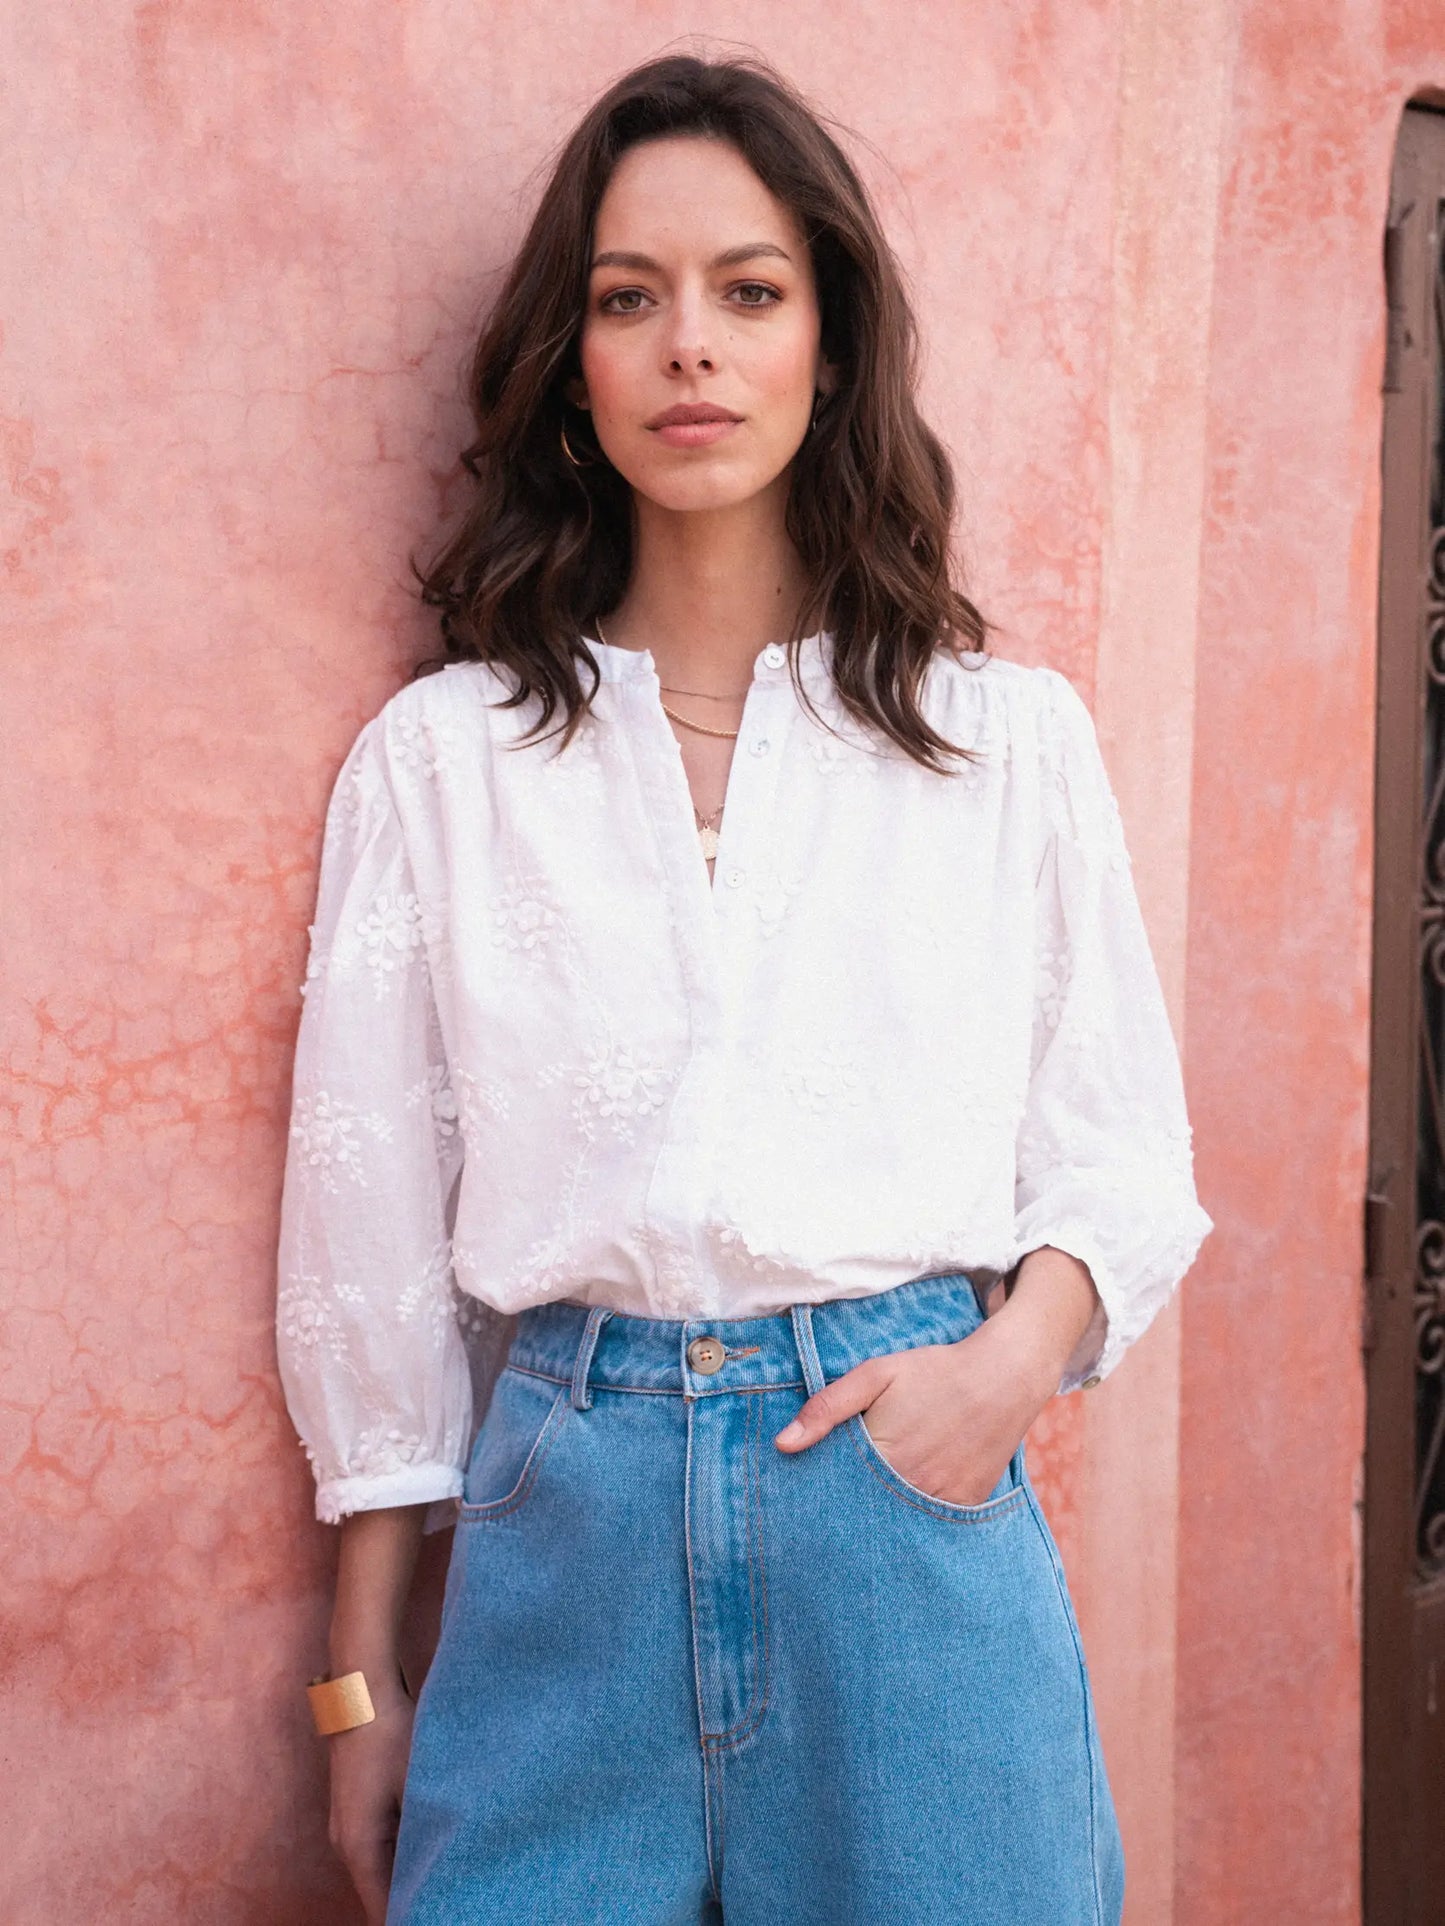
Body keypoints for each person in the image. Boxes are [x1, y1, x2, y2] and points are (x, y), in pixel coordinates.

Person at [275, 51, 1211, 1926]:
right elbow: (368, 1253)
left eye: (747, 292)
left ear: (829, 347)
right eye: (629, 299)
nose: (688, 345)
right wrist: (355, 1695)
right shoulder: (441, 761)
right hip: (564, 1542)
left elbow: (1119, 1164)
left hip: (901, 1524)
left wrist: (994, 1378)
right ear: (572, 367)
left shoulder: (1000, 741)